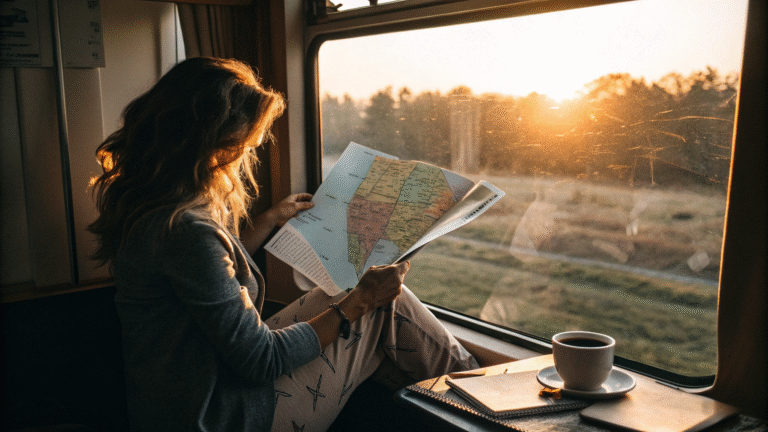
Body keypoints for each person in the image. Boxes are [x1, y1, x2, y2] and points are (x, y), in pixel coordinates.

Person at [88, 57, 478, 432]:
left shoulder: (156, 209)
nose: (245, 159)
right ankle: (485, 396)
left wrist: (271, 220)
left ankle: (466, 400)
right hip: (217, 416)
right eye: (243, 149)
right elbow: (260, 358)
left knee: (376, 337)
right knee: (379, 307)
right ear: (211, 148)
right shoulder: (186, 232)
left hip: (188, 398)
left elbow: (206, 276)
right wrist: (361, 300)